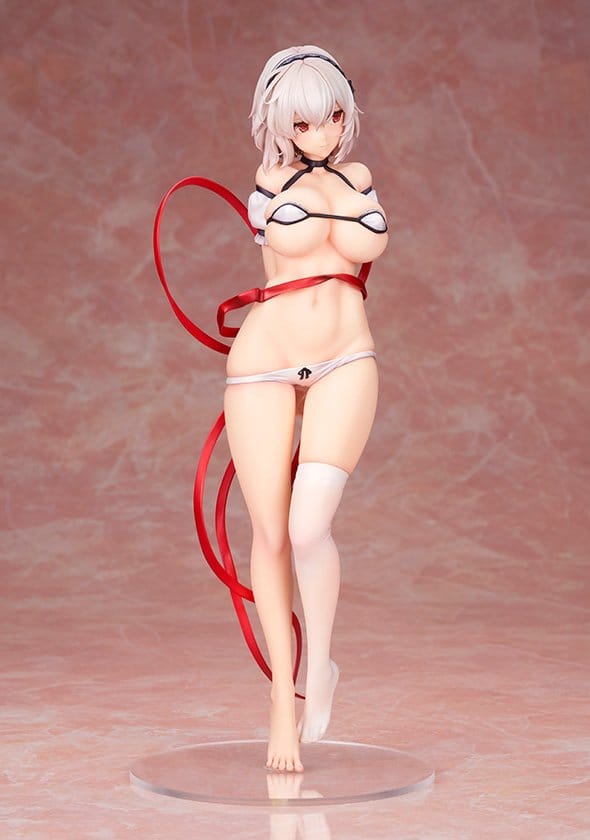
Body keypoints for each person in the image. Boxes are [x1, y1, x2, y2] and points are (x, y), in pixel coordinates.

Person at [223, 45, 388, 773]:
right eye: (303, 121)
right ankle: (280, 704)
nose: (322, 132)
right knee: (270, 534)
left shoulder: (360, 179)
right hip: (264, 362)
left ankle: (321, 664)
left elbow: (360, 249)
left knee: (309, 524)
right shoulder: (268, 183)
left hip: (346, 357)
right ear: (278, 123)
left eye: (334, 116)